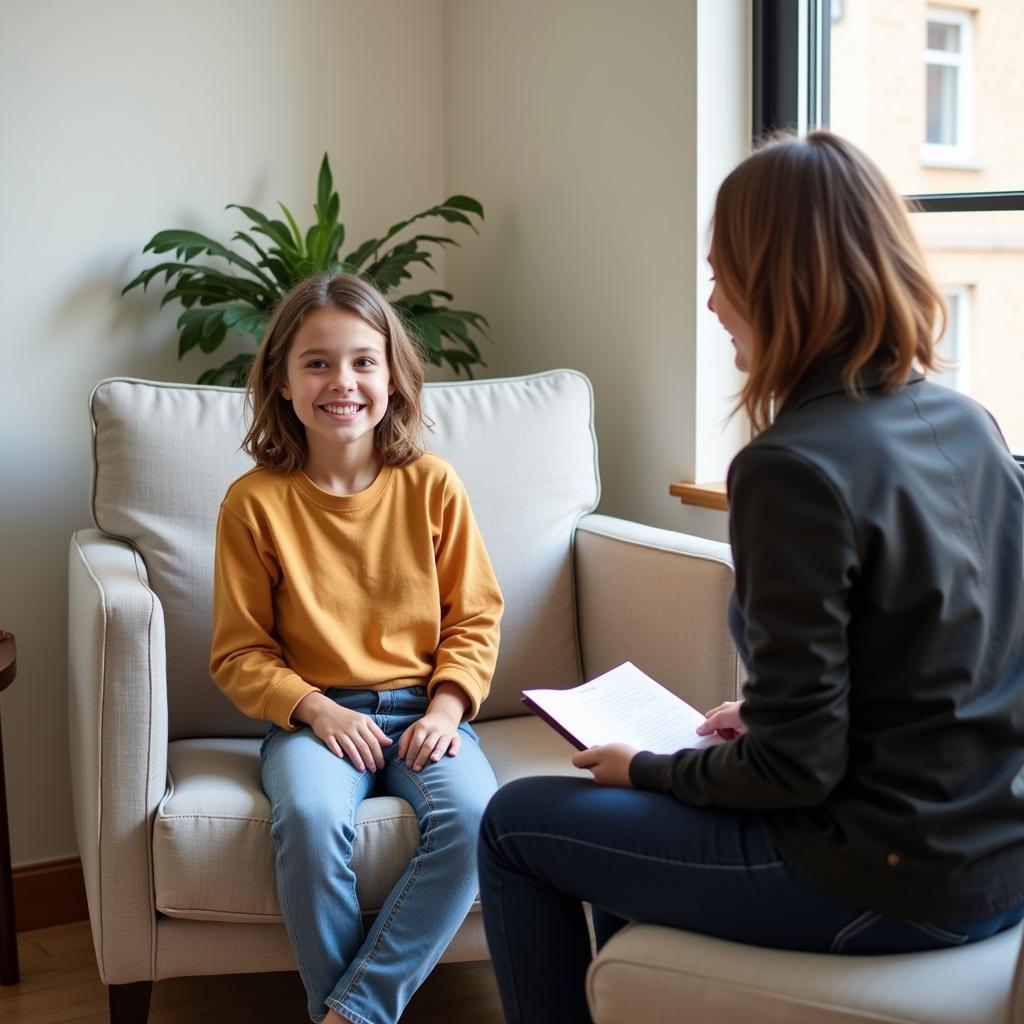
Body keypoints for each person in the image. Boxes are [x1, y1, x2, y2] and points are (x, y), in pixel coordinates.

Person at [477, 130, 1024, 1024]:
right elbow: (942, 660)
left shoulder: (791, 469)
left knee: (515, 825)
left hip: (885, 885)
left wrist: (647, 771)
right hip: (995, 865)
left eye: (724, 274)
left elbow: (796, 774)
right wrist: (765, 718)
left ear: (779, 284)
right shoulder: (968, 424)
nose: (712, 301)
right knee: (620, 833)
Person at [209, 271, 503, 1024]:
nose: (343, 382)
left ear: (394, 376)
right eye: (317, 362)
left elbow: (474, 619)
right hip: (314, 720)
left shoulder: (433, 486)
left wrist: (445, 708)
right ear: (280, 381)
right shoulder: (254, 502)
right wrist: (314, 711)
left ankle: (352, 1013)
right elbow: (240, 653)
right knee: (308, 819)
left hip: (425, 713)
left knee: (477, 819)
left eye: (363, 361)